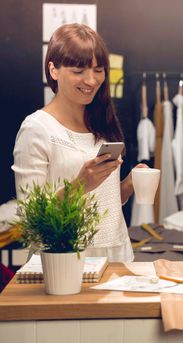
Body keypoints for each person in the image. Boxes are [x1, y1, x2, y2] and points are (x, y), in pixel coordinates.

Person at [12, 24, 144, 262]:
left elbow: (106, 201)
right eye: (78, 71)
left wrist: (128, 184)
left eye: (99, 70)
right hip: (66, 259)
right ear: (53, 70)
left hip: (117, 254)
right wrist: (80, 184)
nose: (91, 80)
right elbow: (31, 217)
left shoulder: (101, 124)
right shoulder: (37, 129)